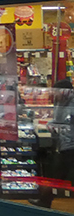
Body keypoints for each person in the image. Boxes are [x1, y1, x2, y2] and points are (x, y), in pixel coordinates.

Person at [33, 78, 74, 209]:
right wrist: (51, 125)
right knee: (57, 175)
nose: (54, 94)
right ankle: (45, 201)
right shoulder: (59, 102)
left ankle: (45, 201)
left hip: (70, 145)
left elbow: (67, 125)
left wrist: (58, 128)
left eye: (56, 91)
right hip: (64, 144)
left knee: (57, 175)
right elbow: (57, 120)